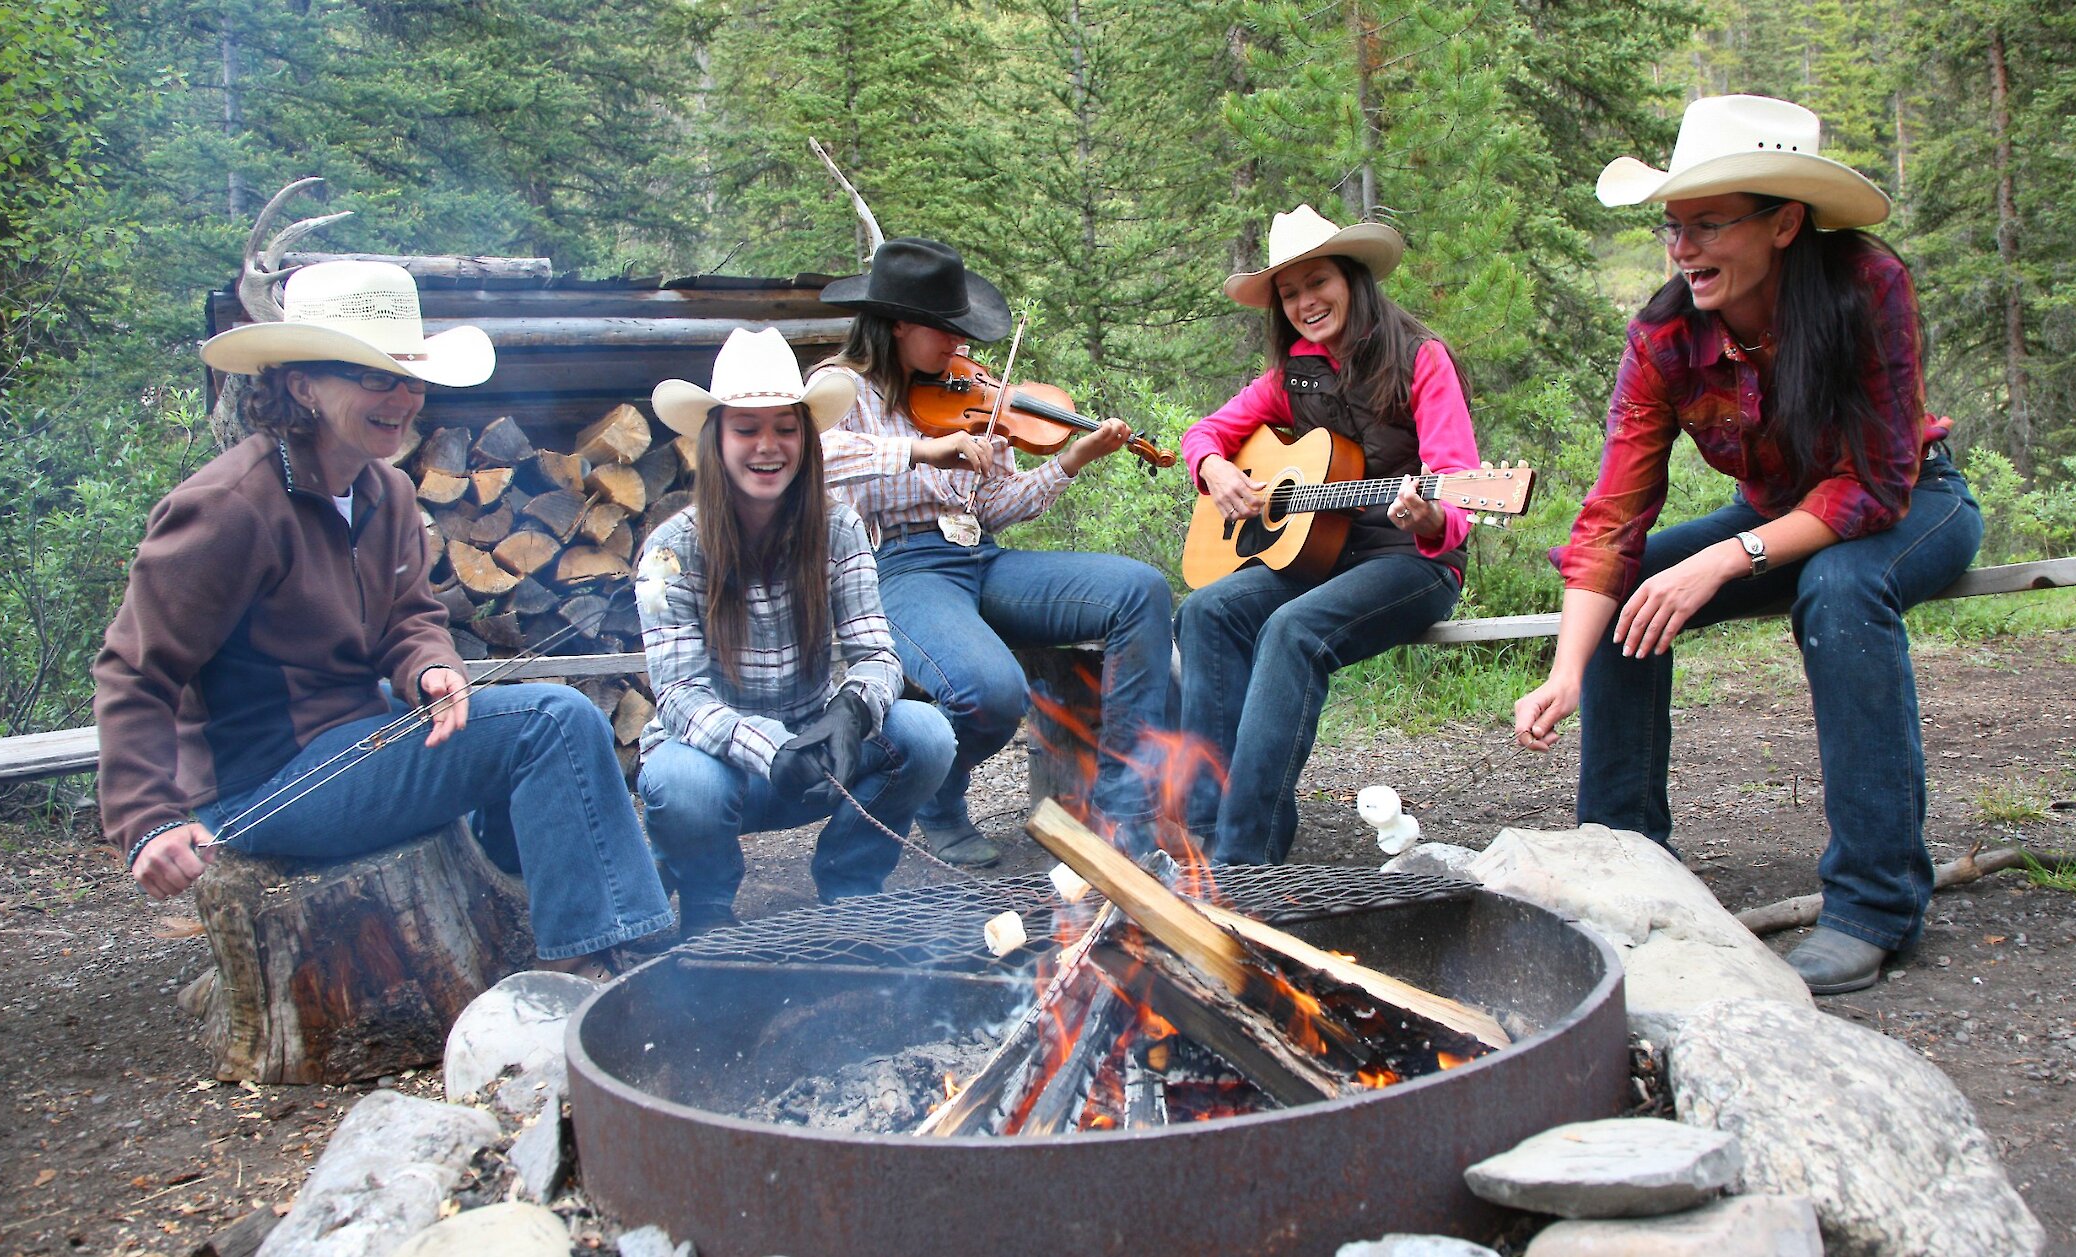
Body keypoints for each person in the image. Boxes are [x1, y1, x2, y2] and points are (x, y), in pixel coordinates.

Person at [1511, 95, 1984, 995]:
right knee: (1637, 584)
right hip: (1777, 517)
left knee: (1841, 587)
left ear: (1785, 224)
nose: (1682, 249)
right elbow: (1614, 514)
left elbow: (1877, 484)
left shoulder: (1865, 287)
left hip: (1913, 499)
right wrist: (1568, 667)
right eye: (1672, 228)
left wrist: (1730, 557)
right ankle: (1624, 867)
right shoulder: (1664, 337)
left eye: (1707, 226)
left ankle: (1873, 907)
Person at [95, 259, 673, 977]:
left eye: (411, 377)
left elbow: (410, 617)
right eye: (375, 376)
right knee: (552, 721)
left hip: (359, 742)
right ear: (301, 385)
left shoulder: (386, 493)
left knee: (525, 727)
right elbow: (134, 669)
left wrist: (429, 663)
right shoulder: (229, 508)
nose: (402, 397)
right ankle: (599, 965)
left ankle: (539, 922)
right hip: (263, 787)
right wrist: (147, 818)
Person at [809, 237, 1174, 864]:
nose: (962, 348)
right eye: (947, 332)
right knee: (990, 692)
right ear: (898, 323)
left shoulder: (970, 395)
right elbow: (812, 459)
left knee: (1140, 590)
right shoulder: (839, 386)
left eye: (964, 334)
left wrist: (1070, 461)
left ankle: (1120, 810)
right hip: (898, 565)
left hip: (982, 557)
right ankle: (939, 799)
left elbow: (995, 505)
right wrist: (921, 450)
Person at [1176, 205, 1483, 865]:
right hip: (1326, 554)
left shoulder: (1419, 357)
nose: (1305, 302)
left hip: (1413, 561)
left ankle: (1241, 859)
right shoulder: (1294, 374)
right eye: (1289, 293)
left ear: (1350, 277)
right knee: (1205, 610)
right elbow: (1203, 432)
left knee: (1292, 629)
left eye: (1317, 283)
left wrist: (1429, 516)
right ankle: (1208, 827)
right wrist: (1213, 466)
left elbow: (1457, 485)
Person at [634, 328, 955, 933]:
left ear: (806, 439)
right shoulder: (668, 551)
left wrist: (851, 713)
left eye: (785, 427)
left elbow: (876, 653)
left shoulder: (838, 526)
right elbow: (678, 696)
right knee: (679, 781)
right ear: (716, 439)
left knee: (928, 734)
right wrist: (769, 747)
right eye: (746, 428)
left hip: (817, 754)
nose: (768, 446)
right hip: (717, 766)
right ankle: (707, 907)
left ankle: (851, 883)